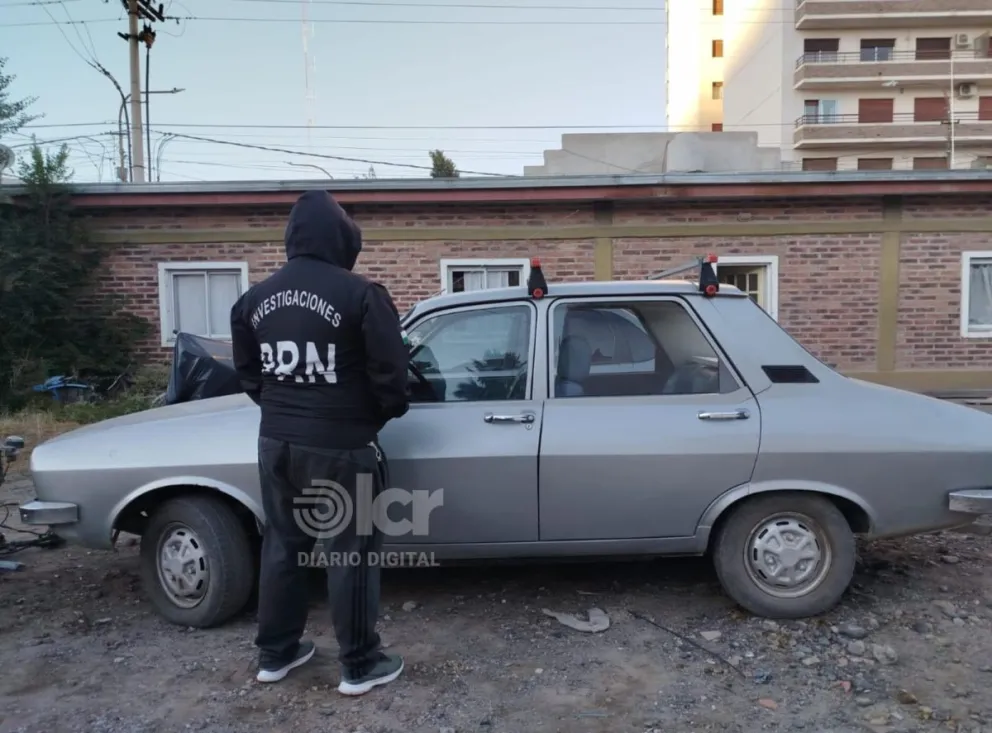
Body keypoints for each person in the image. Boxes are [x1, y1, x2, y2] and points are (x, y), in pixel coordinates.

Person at [230, 190, 411, 695]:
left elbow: (248, 373)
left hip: (277, 443)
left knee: (283, 546)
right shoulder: (361, 294)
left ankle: (276, 653)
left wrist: (283, 410)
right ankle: (358, 664)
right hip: (340, 443)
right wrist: (369, 418)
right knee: (350, 552)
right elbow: (392, 378)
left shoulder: (254, 299)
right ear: (341, 238)